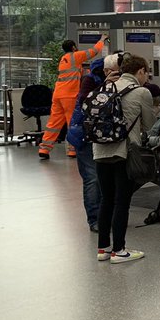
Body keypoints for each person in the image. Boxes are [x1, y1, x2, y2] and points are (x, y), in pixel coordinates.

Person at [92, 53, 155, 264]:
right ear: (140, 72)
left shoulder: (106, 87)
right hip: (124, 152)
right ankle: (119, 250)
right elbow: (149, 124)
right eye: (147, 73)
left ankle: (103, 248)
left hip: (100, 151)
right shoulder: (141, 92)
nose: (147, 77)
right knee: (122, 201)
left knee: (106, 199)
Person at [39, 33, 107, 159]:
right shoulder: (75, 56)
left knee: (54, 123)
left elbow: (76, 72)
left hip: (58, 94)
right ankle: (72, 150)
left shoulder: (64, 59)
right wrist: (102, 40)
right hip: (69, 95)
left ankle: (44, 149)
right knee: (72, 122)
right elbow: (93, 51)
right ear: (74, 48)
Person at [65, 53, 108, 231]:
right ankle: (94, 219)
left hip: (97, 134)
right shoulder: (90, 81)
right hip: (85, 135)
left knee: (103, 178)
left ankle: (104, 215)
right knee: (92, 178)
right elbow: (87, 102)